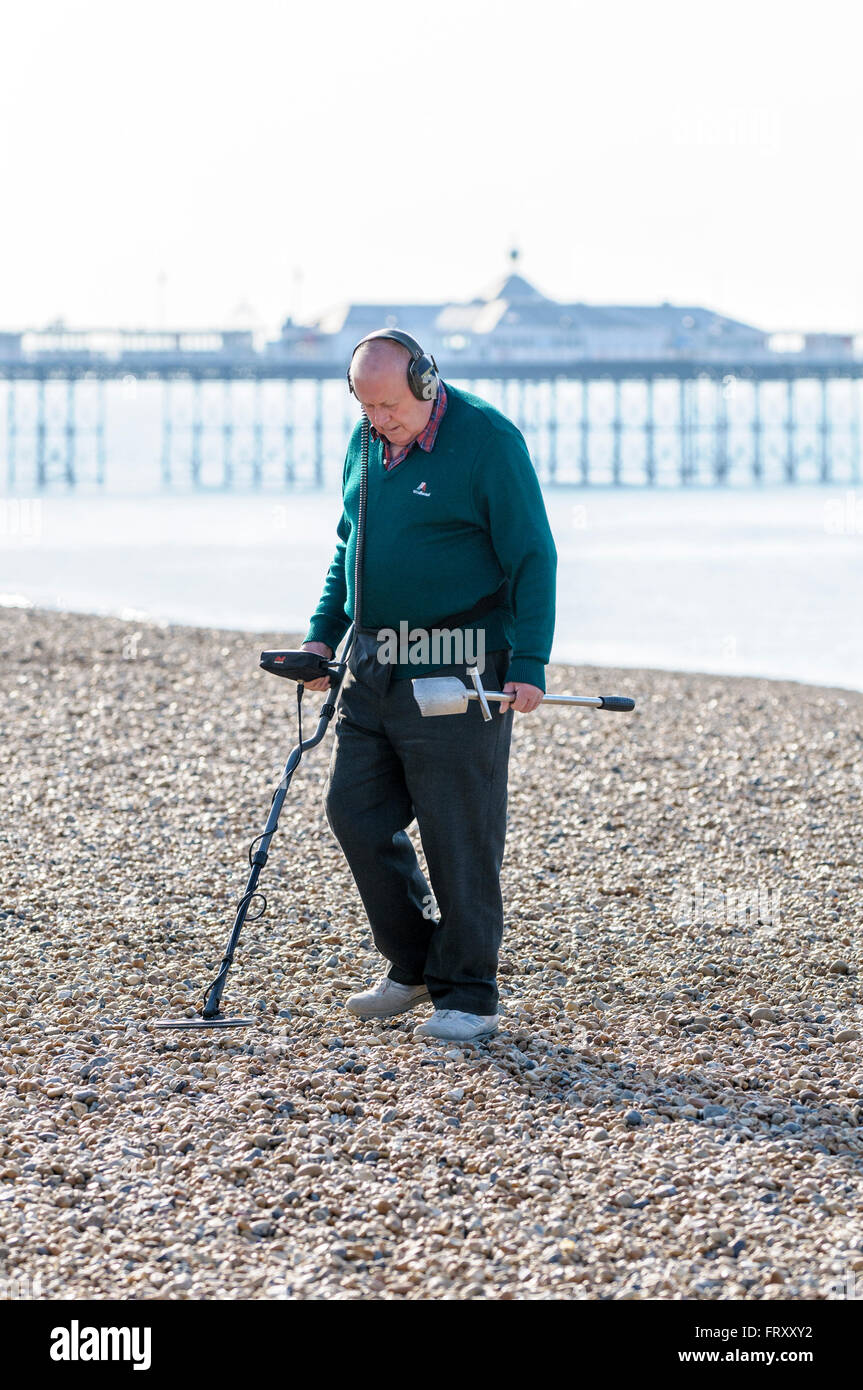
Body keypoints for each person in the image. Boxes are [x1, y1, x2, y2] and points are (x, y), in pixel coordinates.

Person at [301, 329, 556, 1042]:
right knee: (354, 813)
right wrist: (322, 635)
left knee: (459, 836)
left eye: (387, 405)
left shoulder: (487, 440)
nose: (377, 420)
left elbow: (534, 556)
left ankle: (469, 995)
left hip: (463, 661)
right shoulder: (364, 441)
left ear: (424, 379)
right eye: (364, 405)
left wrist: (529, 663)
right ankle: (412, 966)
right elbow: (349, 546)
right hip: (374, 664)